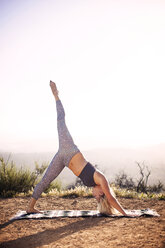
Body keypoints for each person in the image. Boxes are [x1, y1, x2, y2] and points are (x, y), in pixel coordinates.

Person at [27, 81, 127, 216]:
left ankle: (30, 207)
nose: (94, 196)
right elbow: (111, 198)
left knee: (46, 180)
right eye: (97, 197)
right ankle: (56, 95)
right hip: (69, 148)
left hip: (63, 159)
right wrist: (125, 213)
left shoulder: (95, 184)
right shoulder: (102, 180)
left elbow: (107, 199)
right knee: (61, 121)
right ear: (101, 192)